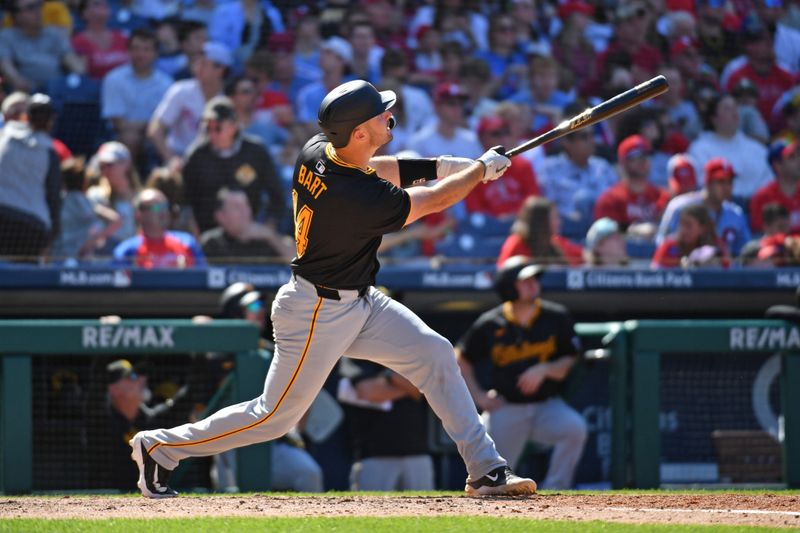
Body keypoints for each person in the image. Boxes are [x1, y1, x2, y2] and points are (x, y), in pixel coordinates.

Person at [129, 79, 536, 499]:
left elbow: (375, 167)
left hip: (357, 298)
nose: (389, 116)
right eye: (380, 114)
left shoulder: (319, 148)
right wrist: (478, 172)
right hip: (316, 311)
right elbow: (430, 202)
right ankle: (161, 447)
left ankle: (486, 470)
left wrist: (446, 165)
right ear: (359, 132)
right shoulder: (359, 200)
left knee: (434, 352)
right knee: (274, 418)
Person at [456, 257, 588, 490]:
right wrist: (479, 396)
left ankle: (558, 489)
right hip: (507, 408)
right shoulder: (491, 322)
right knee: (493, 478)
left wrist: (545, 369)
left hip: (546, 407)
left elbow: (570, 357)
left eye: (534, 279)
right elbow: (461, 358)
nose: (533, 284)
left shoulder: (555, 317)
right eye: (525, 280)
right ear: (509, 287)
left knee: (574, 428)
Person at [182, 95, 286, 234]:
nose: (212, 134)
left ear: (234, 126)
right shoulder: (196, 156)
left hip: (251, 230)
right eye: (208, 128)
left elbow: (277, 195)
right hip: (208, 234)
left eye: (218, 128)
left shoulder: (255, 152)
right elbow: (187, 203)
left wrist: (267, 228)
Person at [339, 356, 435, 491]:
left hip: (418, 454)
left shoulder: (415, 351)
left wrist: (389, 378)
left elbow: (428, 387)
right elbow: (369, 392)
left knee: (426, 510)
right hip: (373, 456)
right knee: (368, 511)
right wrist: (407, 384)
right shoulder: (355, 355)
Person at [147, 41, 231, 170]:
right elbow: (155, 129)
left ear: (220, 70)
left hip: (216, 161)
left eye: (204, 63)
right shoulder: (181, 90)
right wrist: (171, 159)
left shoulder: (229, 98)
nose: (197, 67)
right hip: (180, 156)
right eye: (197, 62)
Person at [0, 93, 62, 260]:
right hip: (32, 227)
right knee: (25, 280)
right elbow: (54, 198)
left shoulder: (4, 136)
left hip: (4, 218)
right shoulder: (49, 152)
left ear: (26, 116)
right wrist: (53, 234)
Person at [101, 28, 172, 166]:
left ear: (156, 53)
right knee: (130, 138)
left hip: (157, 136)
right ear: (128, 51)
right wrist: (150, 126)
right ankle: (128, 184)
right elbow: (119, 124)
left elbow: (167, 124)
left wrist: (152, 129)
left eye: (146, 49)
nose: (140, 54)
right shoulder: (114, 79)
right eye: (136, 48)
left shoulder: (167, 83)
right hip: (121, 136)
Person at [656, 157, 751, 256]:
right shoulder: (680, 207)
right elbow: (661, 242)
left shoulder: (735, 213)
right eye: (720, 182)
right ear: (708, 183)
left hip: (723, 268)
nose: (726, 187)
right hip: (683, 268)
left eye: (730, 182)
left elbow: (745, 252)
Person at [688, 93, 773, 200]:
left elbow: (769, 180)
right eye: (727, 109)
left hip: (757, 205)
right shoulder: (699, 149)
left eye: (735, 108)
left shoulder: (756, 148)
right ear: (713, 117)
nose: (734, 113)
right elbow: (701, 183)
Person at [594, 134, 670, 242]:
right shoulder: (610, 199)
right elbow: (603, 235)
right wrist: (632, 231)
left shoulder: (662, 195)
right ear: (623, 163)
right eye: (635, 156)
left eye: (646, 155)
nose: (643, 161)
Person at [465, 115, 540, 220]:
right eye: (496, 134)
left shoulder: (523, 165)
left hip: (522, 223)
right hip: (490, 229)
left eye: (506, 133)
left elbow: (534, 200)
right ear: (482, 139)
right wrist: (498, 219)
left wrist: (515, 216)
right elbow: (475, 210)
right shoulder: (474, 170)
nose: (503, 138)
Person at [0, 0, 85, 92]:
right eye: (31, 7)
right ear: (17, 16)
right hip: (25, 95)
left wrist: (79, 73)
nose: (38, 10)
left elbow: (71, 60)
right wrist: (19, 82)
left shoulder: (53, 34)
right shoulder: (6, 37)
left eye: (38, 5)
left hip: (58, 92)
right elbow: (6, 66)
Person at [49, 156, 121, 262]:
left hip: (62, 258)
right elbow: (116, 219)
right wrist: (92, 242)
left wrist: (91, 242)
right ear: (84, 182)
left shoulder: (57, 202)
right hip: (76, 259)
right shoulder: (86, 203)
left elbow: (115, 219)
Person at [113, 187, 205, 268]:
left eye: (165, 206)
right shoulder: (127, 251)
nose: (163, 211)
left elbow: (203, 277)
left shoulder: (187, 242)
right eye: (156, 207)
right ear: (139, 215)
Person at [200, 186, 294, 264]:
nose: (244, 211)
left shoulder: (264, 239)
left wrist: (271, 236)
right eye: (236, 207)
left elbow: (298, 262)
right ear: (221, 216)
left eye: (246, 205)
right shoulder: (211, 243)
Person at [497, 197, 584, 267]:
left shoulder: (555, 241)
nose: (559, 222)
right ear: (541, 221)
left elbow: (584, 256)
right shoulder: (516, 243)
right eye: (554, 217)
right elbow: (503, 276)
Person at [651, 203, 729, 268]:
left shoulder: (717, 245)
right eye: (681, 224)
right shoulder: (668, 245)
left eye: (689, 226)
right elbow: (655, 274)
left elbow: (728, 272)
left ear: (703, 228)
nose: (683, 230)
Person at [750, 139, 800, 234]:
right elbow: (760, 237)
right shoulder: (762, 198)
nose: (799, 161)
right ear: (777, 165)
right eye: (792, 157)